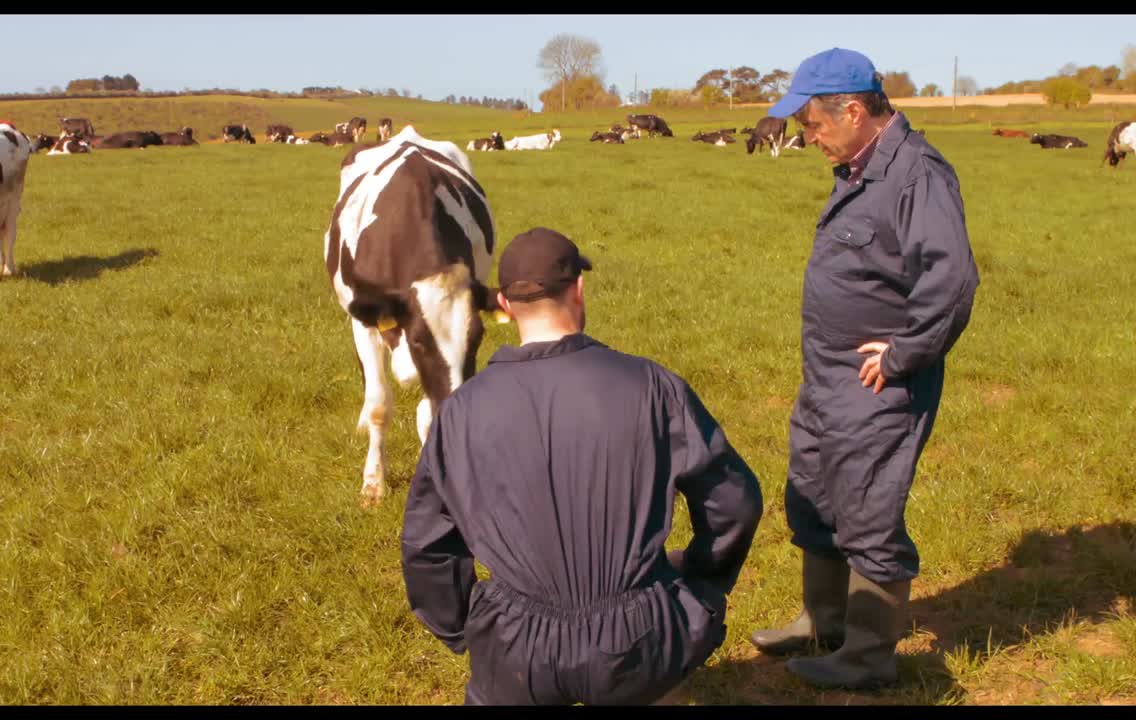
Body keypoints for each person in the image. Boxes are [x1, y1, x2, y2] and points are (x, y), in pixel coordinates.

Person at [400, 227, 764, 705]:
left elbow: (426, 543)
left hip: (516, 648)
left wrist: (462, 626)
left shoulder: (461, 411)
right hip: (638, 637)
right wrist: (700, 583)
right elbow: (733, 502)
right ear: (579, 289)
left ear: (506, 307)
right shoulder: (653, 387)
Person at [748, 48, 980, 689]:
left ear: (853, 110)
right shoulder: (859, 166)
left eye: (813, 124)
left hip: (878, 382)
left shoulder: (916, 175)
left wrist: (905, 354)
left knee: (867, 508)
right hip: (825, 375)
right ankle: (823, 621)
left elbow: (953, 280)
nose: (806, 137)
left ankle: (868, 656)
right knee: (815, 495)